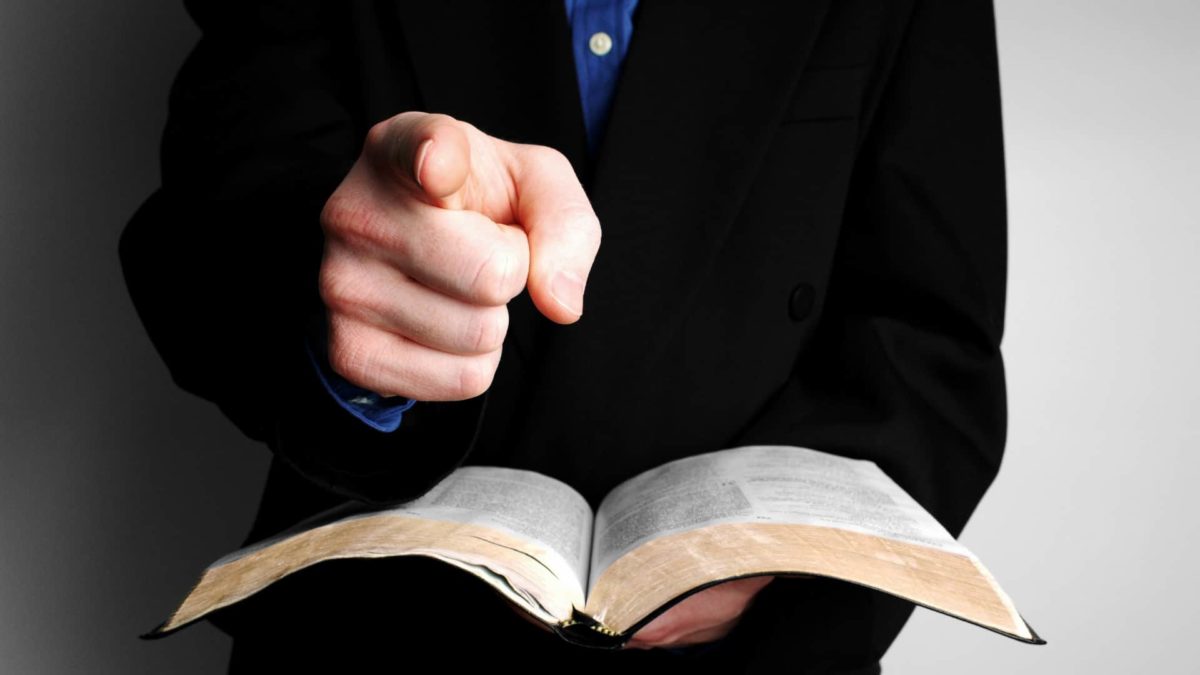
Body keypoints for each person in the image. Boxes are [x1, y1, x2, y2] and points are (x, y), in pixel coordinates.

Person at [119, 1, 1009, 673]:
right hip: (376, 637)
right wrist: (341, 305)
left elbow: (931, 341)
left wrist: (782, 571)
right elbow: (209, 234)